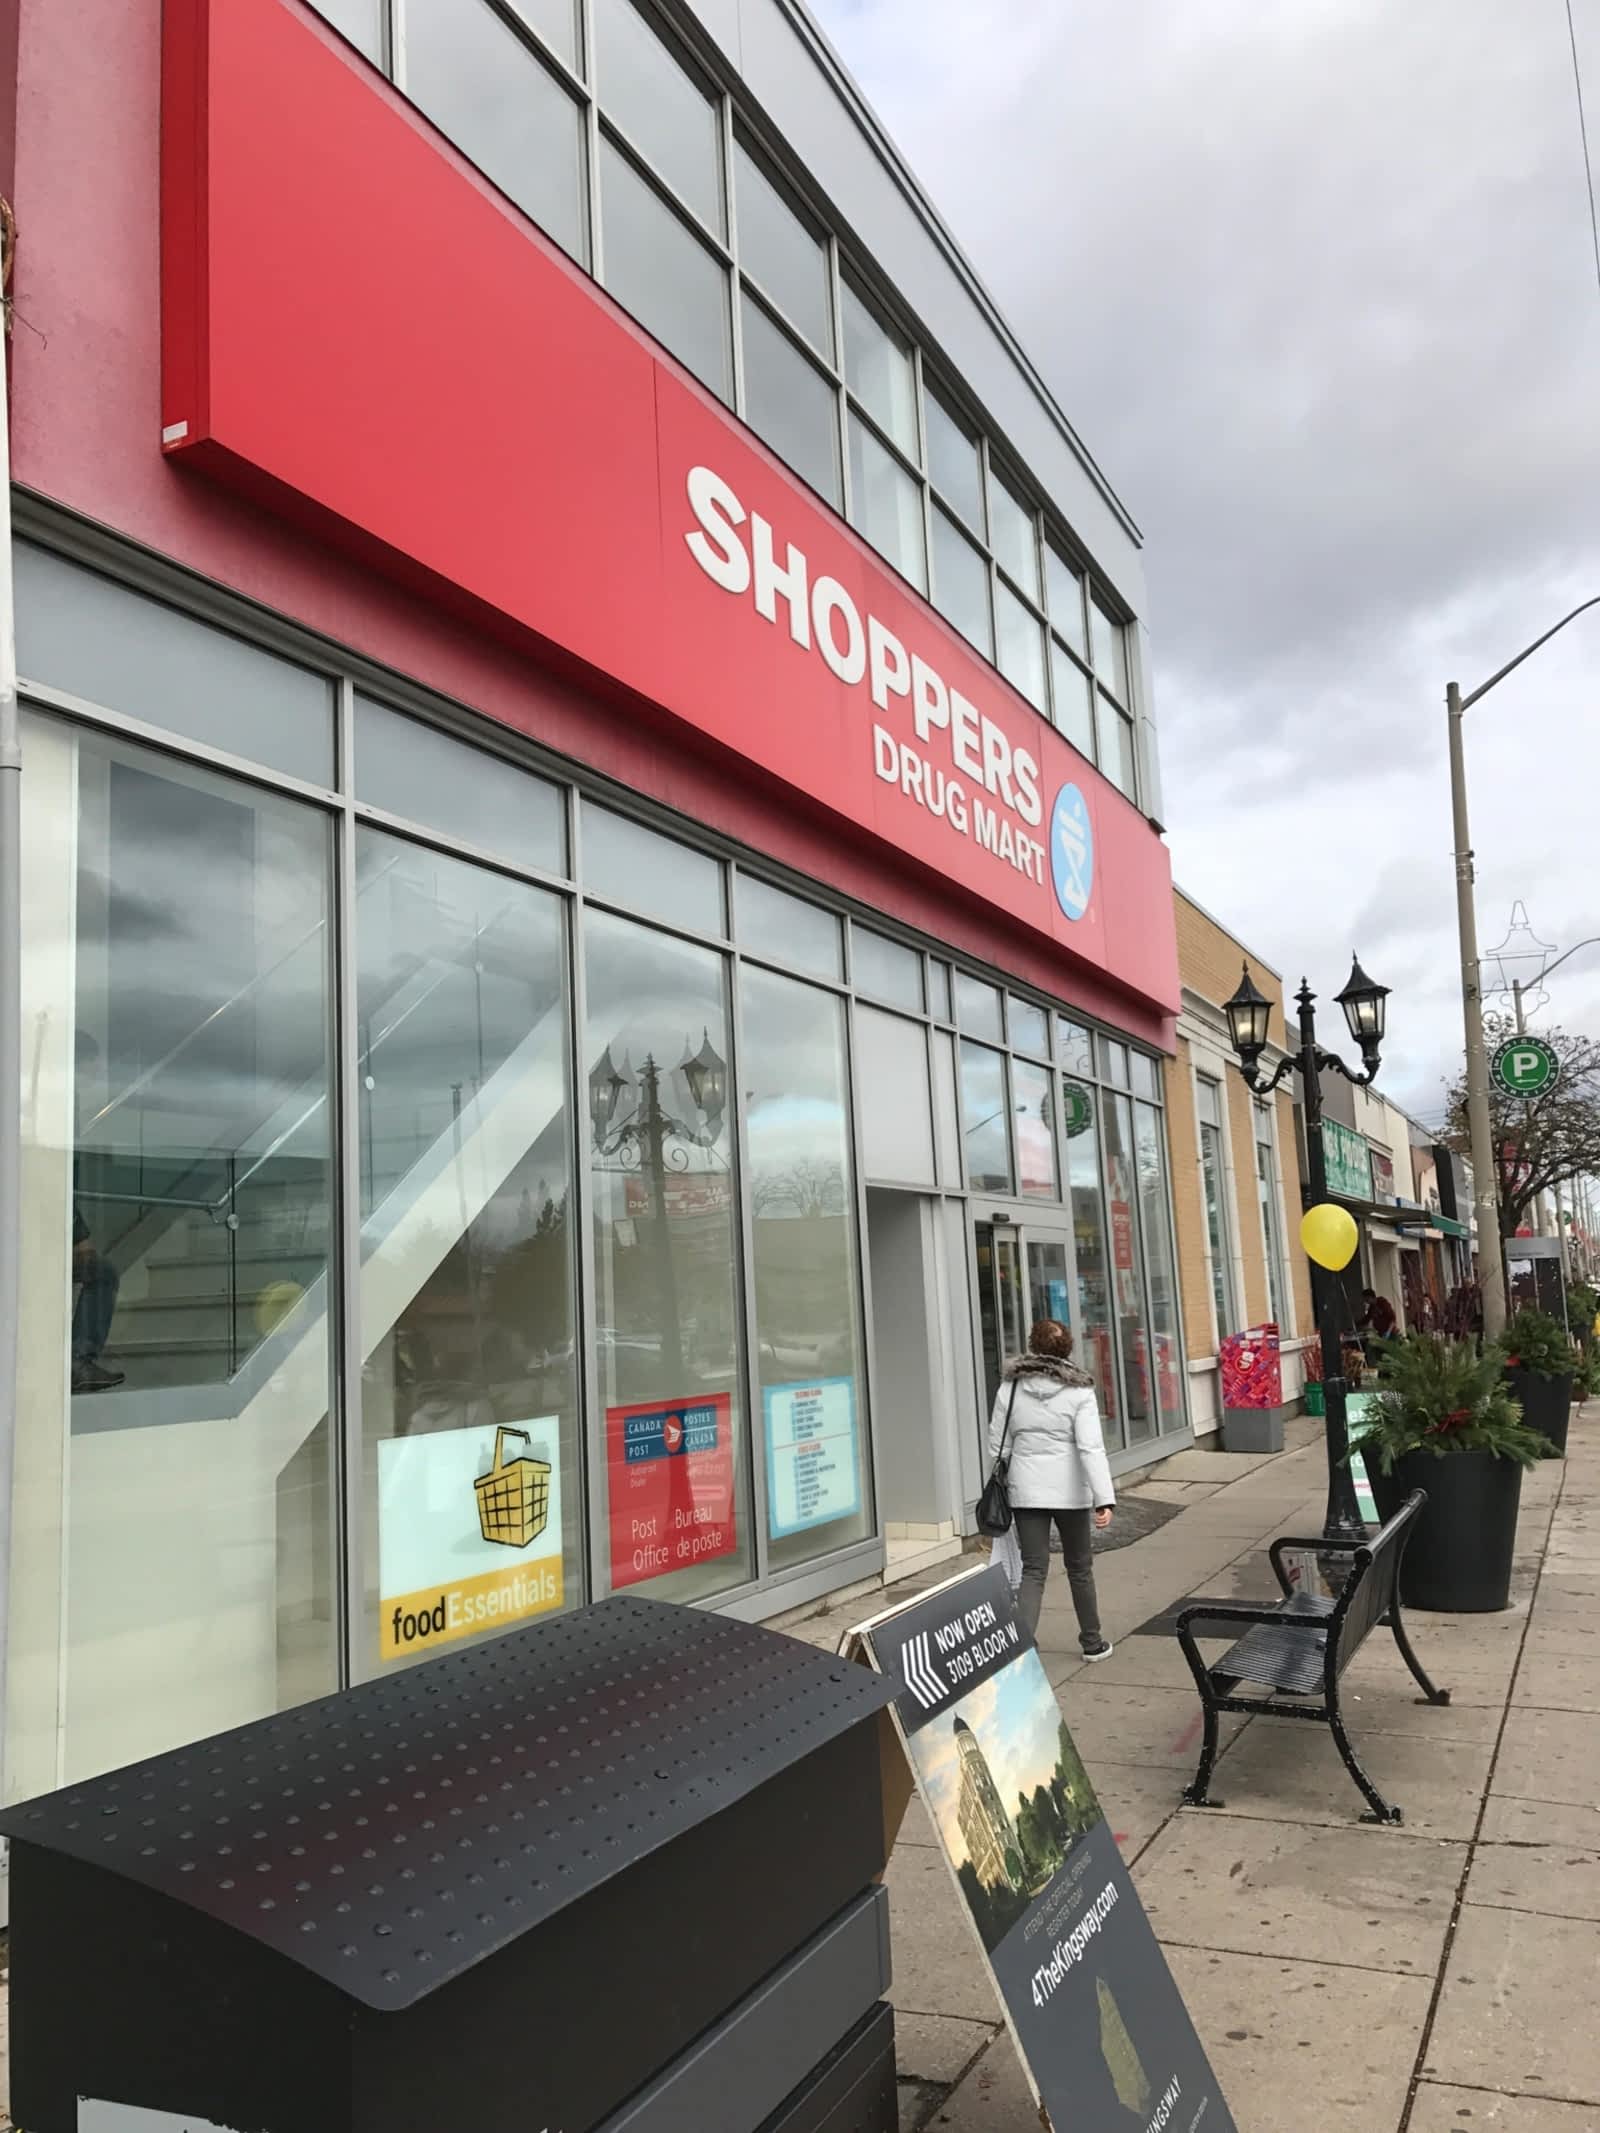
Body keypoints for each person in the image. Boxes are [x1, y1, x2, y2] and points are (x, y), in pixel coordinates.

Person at [987, 1318, 1114, 1657]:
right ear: (1068, 1347)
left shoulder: (1011, 1387)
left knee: (1034, 1569)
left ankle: (1022, 1650)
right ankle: (1092, 1643)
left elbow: (998, 1445)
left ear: (1033, 1345)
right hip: (1070, 1493)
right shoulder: (1079, 1391)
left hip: (1026, 1491)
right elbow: (1090, 1448)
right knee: (1080, 1567)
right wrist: (1104, 1499)